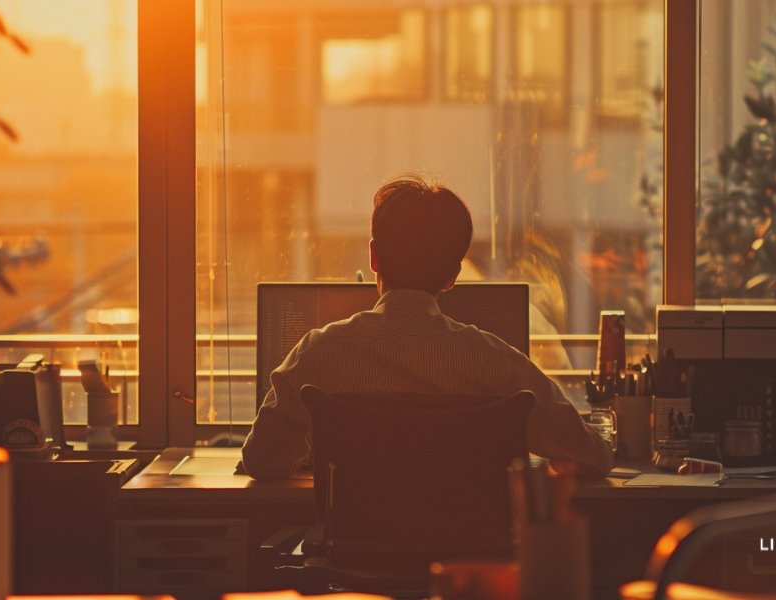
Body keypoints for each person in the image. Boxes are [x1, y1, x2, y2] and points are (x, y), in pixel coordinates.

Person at [241, 175, 613, 479]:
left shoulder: (320, 354)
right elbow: (594, 456)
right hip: (466, 562)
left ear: (373, 257)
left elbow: (263, 461)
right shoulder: (498, 364)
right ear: (453, 275)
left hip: (356, 561)